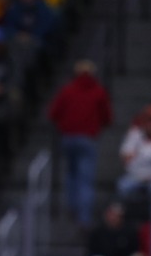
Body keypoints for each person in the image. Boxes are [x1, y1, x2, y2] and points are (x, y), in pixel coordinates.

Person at [46, 60, 113, 226]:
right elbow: (108, 117)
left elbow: (53, 113)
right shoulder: (98, 91)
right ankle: (84, 218)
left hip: (68, 138)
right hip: (87, 139)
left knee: (71, 175)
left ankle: (72, 209)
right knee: (85, 179)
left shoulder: (67, 90)